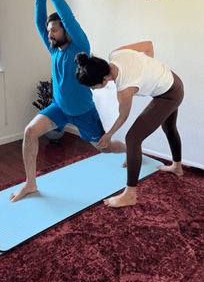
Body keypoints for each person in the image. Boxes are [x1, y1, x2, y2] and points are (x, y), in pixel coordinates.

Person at [9, 0, 126, 203]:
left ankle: (132, 150)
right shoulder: (54, 50)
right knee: (30, 132)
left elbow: (68, 16)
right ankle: (30, 183)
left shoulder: (80, 46)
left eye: (54, 30)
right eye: (49, 31)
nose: (49, 34)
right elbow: (38, 19)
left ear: (66, 32)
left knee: (105, 148)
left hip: (84, 113)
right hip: (59, 109)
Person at [75, 41, 184, 208]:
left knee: (132, 139)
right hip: (173, 80)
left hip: (169, 93)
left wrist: (109, 134)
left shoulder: (124, 90)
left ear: (104, 79)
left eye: (94, 87)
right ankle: (177, 167)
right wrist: (147, 72)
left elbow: (123, 117)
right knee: (169, 127)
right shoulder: (115, 54)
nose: (94, 90)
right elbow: (148, 45)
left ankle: (130, 195)